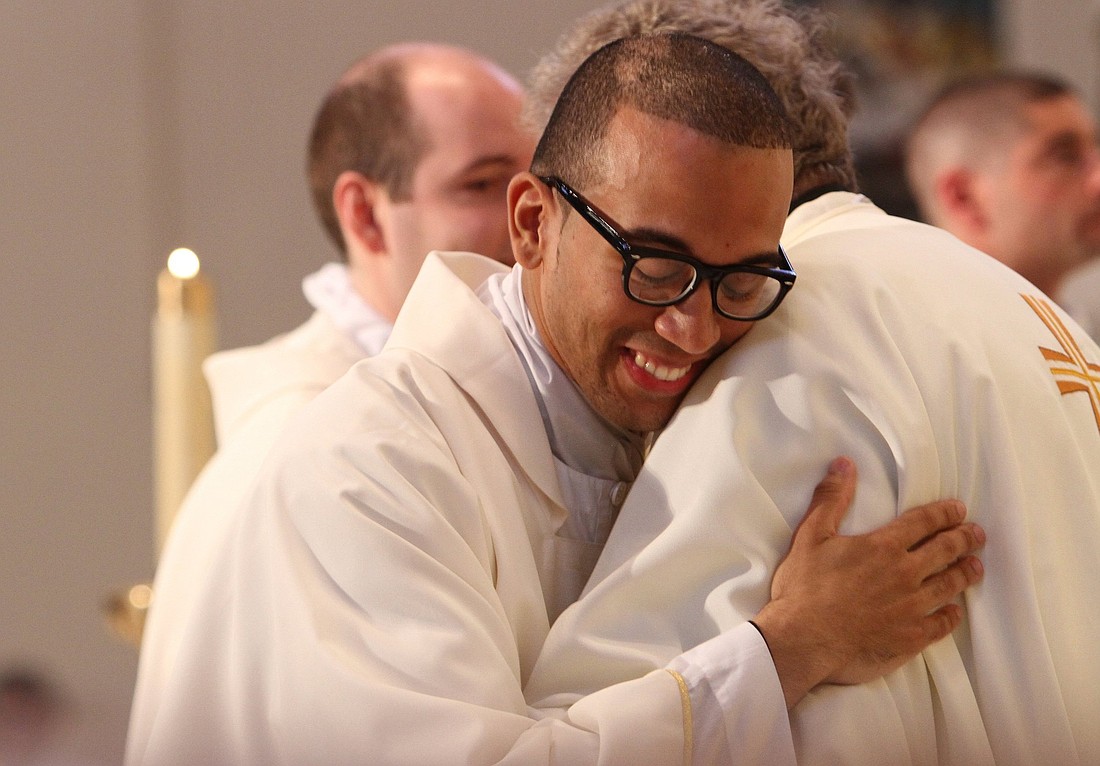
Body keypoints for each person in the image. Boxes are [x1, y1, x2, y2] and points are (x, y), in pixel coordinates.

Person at [124, 34, 984, 765]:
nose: (691, 326)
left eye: (741, 280)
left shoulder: (641, 423)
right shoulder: (371, 463)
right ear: (532, 225)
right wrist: (791, 649)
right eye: (653, 263)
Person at [520, 2, 1100, 764]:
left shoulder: (793, 334)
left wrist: (791, 644)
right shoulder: (1019, 301)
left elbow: (591, 728)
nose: (691, 325)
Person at [130, 40, 532, 737]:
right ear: (366, 215)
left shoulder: (452, 402)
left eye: (543, 182)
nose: (536, 221)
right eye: (484, 184)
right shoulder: (335, 450)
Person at [904, 71, 1100, 323]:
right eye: (1065, 157)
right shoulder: (922, 347)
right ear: (965, 198)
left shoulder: (1076, 332)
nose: (1097, 180)